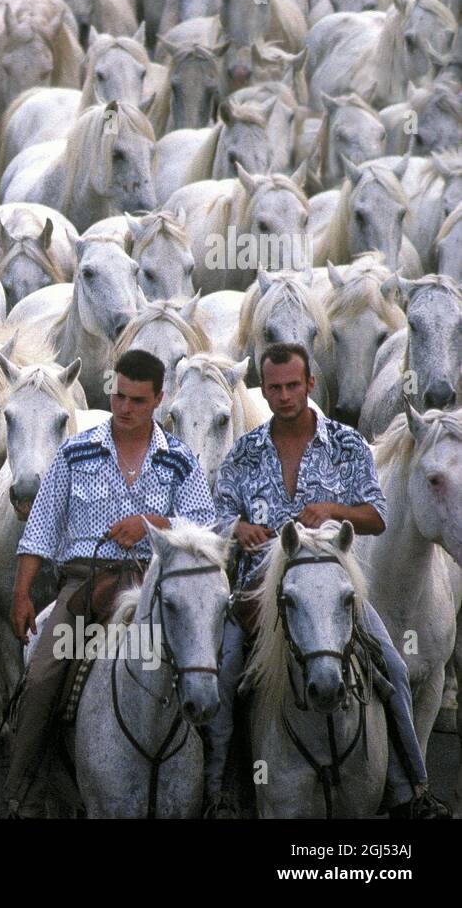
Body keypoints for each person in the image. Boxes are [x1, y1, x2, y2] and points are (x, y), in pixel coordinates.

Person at [205, 342, 451, 818]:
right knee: (225, 674)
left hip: (335, 590)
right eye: (273, 388)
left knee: (395, 670)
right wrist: (236, 527)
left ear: (310, 384)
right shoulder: (245, 451)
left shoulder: (346, 444)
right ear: (264, 389)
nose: (283, 396)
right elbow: (214, 514)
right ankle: (221, 792)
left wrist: (335, 510)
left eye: (292, 385)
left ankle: (412, 790)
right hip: (260, 590)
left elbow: (377, 516)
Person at [2, 349, 216, 813]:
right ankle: (22, 792)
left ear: (159, 399)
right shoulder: (75, 451)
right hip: (84, 583)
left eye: (138, 400)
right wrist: (21, 593)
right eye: (119, 396)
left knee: (208, 668)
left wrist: (151, 522)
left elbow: (205, 528)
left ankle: (220, 788)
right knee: (42, 674)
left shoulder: (179, 460)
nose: (125, 408)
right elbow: (40, 524)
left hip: (156, 583)